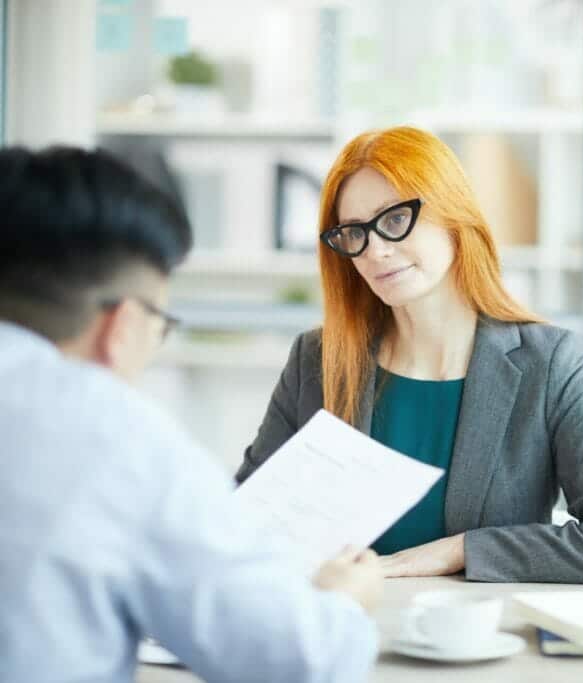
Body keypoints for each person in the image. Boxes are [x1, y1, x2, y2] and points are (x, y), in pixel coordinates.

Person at [0, 146, 383, 682]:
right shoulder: (121, 441)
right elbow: (297, 660)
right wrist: (343, 601)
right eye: (161, 322)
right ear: (125, 325)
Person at [237, 126, 583, 584]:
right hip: (341, 628)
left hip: (478, 639)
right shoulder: (317, 359)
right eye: (354, 233)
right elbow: (241, 524)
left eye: (394, 220)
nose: (375, 250)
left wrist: (459, 551)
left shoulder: (547, 362)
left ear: (453, 215)